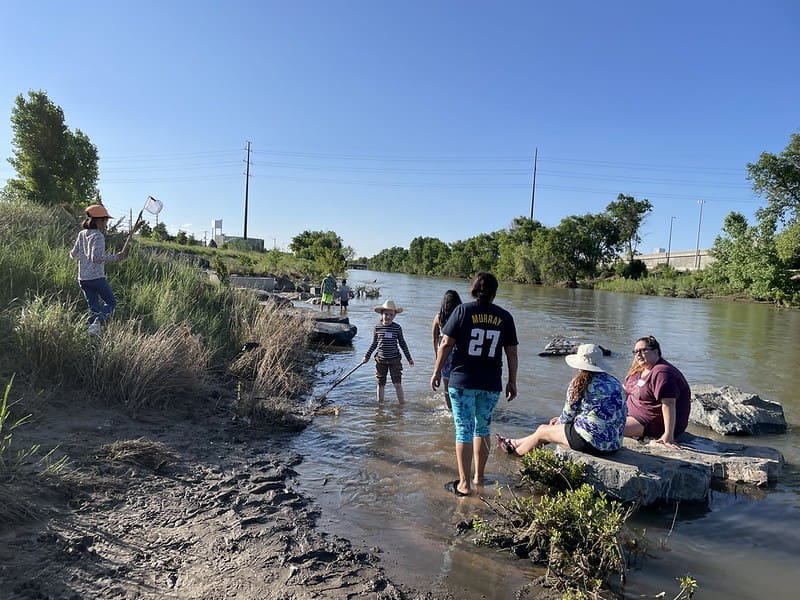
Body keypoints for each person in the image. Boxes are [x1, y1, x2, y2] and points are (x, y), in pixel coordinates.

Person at [430, 272, 518, 497]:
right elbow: (511, 352)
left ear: (473, 290)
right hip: (491, 382)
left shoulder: (462, 311)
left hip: (461, 380)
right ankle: (479, 477)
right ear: (495, 292)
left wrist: (437, 371)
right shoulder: (504, 316)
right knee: (483, 429)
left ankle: (464, 484)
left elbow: (445, 344)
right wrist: (512, 381)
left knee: (463, 430)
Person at [495, 344, 626, 457]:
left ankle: (515, 455)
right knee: (546, 430)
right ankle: (515, 443)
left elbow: (567, 416)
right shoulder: (614, 382)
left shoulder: (579, 383)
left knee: (542, 431)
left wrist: (557, 423)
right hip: (614, 443)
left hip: (591, 442)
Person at [623, 335, 691, 448]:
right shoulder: (641, 368)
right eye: (635, 352)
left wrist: (668, 436)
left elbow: (668, 404)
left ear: (656, 352)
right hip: (631, 413)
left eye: (643, 350)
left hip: (649, 421)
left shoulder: (662, 372)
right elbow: (627, 389)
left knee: (604, 428)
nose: (638, 354)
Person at [69, 204, 127, 335]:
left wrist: (81, 256)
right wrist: (116, 257)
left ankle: (91, 334)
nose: (106, 223)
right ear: (99, 220)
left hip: (83, 278)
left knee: (93, 307)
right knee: (111, 303)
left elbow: (73, 254)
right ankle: (97, 322)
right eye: (106, 220)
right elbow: (95, 257)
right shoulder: (98, 236)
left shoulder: (82, 233)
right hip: (96, 278)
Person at [362, 300, 414, 403]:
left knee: (397, 384)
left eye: (391, 314)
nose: (388, 317)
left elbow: (402, 343)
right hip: (380, 359)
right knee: (380, 384)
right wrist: (366, 356)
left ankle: (402, 404)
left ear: (395, 315)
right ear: (382, 314)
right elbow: (374, 344)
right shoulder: (377, 327)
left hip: (395, 359)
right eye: (386, 314)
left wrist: (409, 358)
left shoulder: (397, 328)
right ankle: (379, 406)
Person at [431, 289, 463, 411]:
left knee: (446, 385)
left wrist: (437, 357)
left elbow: (434, 339)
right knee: (460, 384)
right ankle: (460, 407)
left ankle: (449, 409)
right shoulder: (462, 316)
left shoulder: (439, 317)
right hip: (459, 353)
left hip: (444, 354)